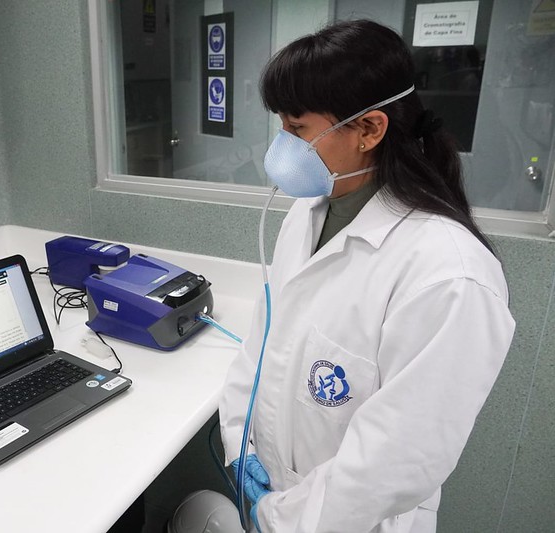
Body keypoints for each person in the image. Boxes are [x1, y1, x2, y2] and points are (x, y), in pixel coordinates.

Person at [170, 19, 515, 533]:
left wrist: (279, 519)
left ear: (370, 130)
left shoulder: (449, 277)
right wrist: (241, 447)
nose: (281, 146)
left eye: (297, 129)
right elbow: (261, 348)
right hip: (274, 493)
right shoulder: (306, 214)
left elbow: (394, 459)